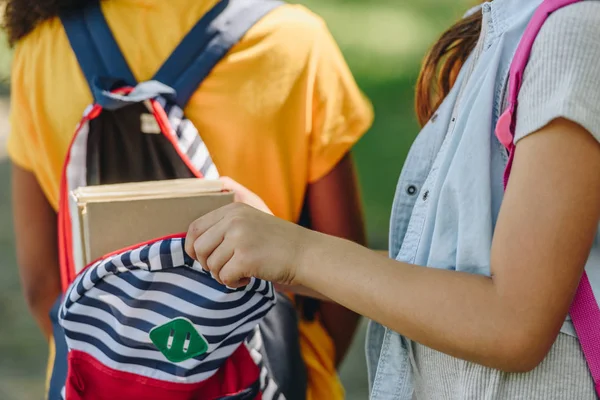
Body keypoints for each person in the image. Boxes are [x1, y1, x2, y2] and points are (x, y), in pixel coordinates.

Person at [185, 0, 600, 398]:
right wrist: (274, 248)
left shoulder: (572, 33)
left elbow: (513, 322)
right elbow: (449, 281)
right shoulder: (514, 24)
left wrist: (298, 252)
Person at [6, 0, 373, 398]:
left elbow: (42, 284)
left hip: (96, 383)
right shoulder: (293, 43)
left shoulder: (42, 44)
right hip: (264, 377)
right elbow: (346, 268)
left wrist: (122, 374)